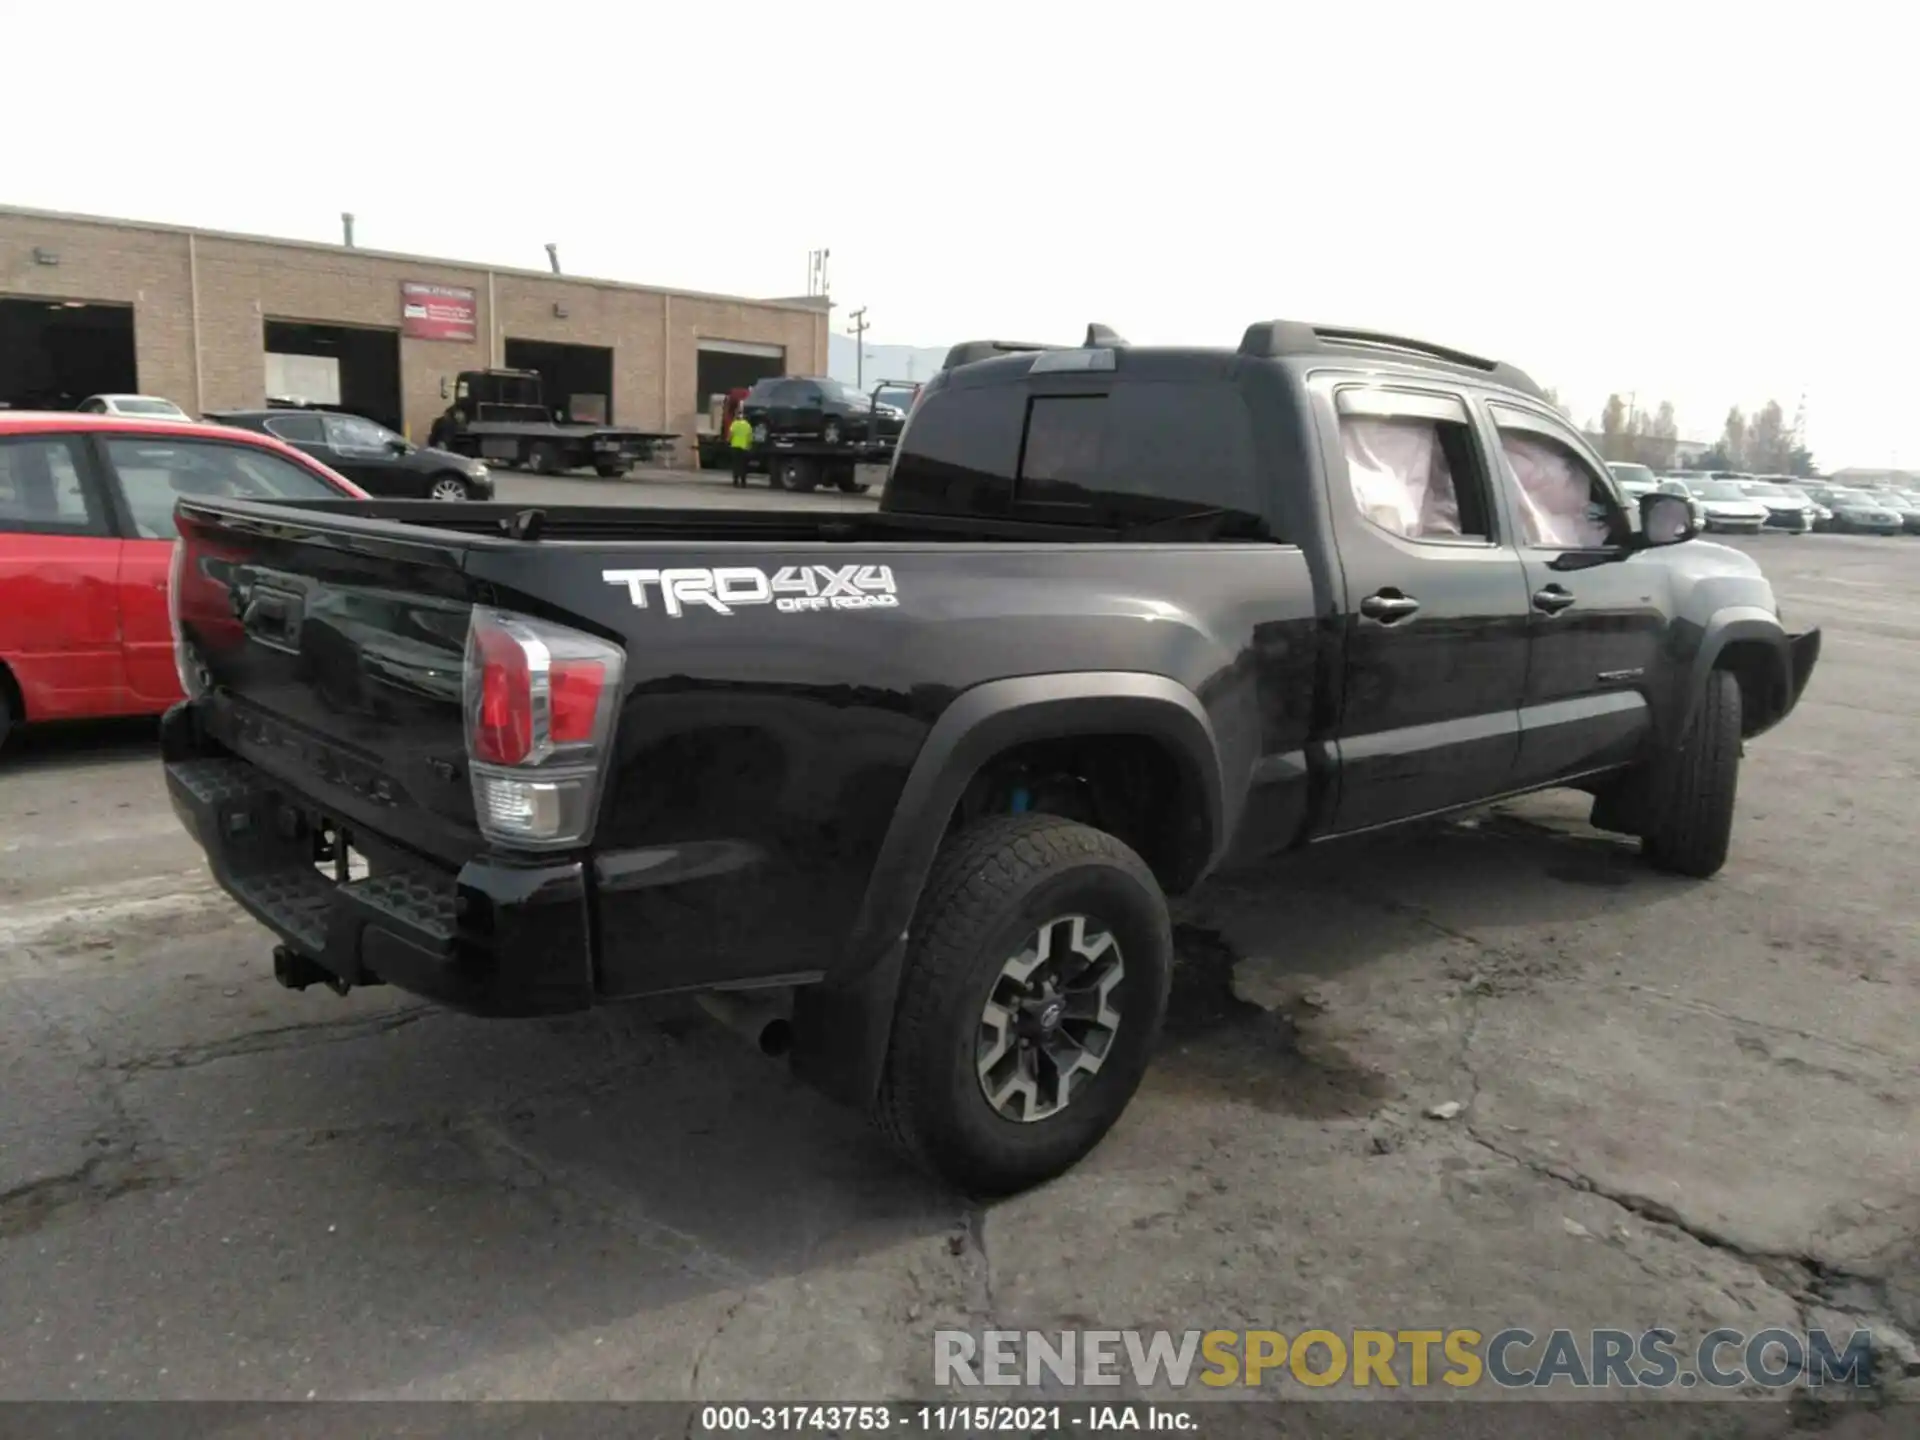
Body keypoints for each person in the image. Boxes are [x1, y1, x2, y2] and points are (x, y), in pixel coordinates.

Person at [727, 410, 754, 487]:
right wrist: (749, 445)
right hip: (744, 448)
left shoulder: (734, 424)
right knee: (743, 465)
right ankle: (743, 482)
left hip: (735, 447)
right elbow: (750, 438)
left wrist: (728, 441)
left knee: (735, 465)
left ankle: (735, 481)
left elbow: (730, 434)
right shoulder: (748, 425)